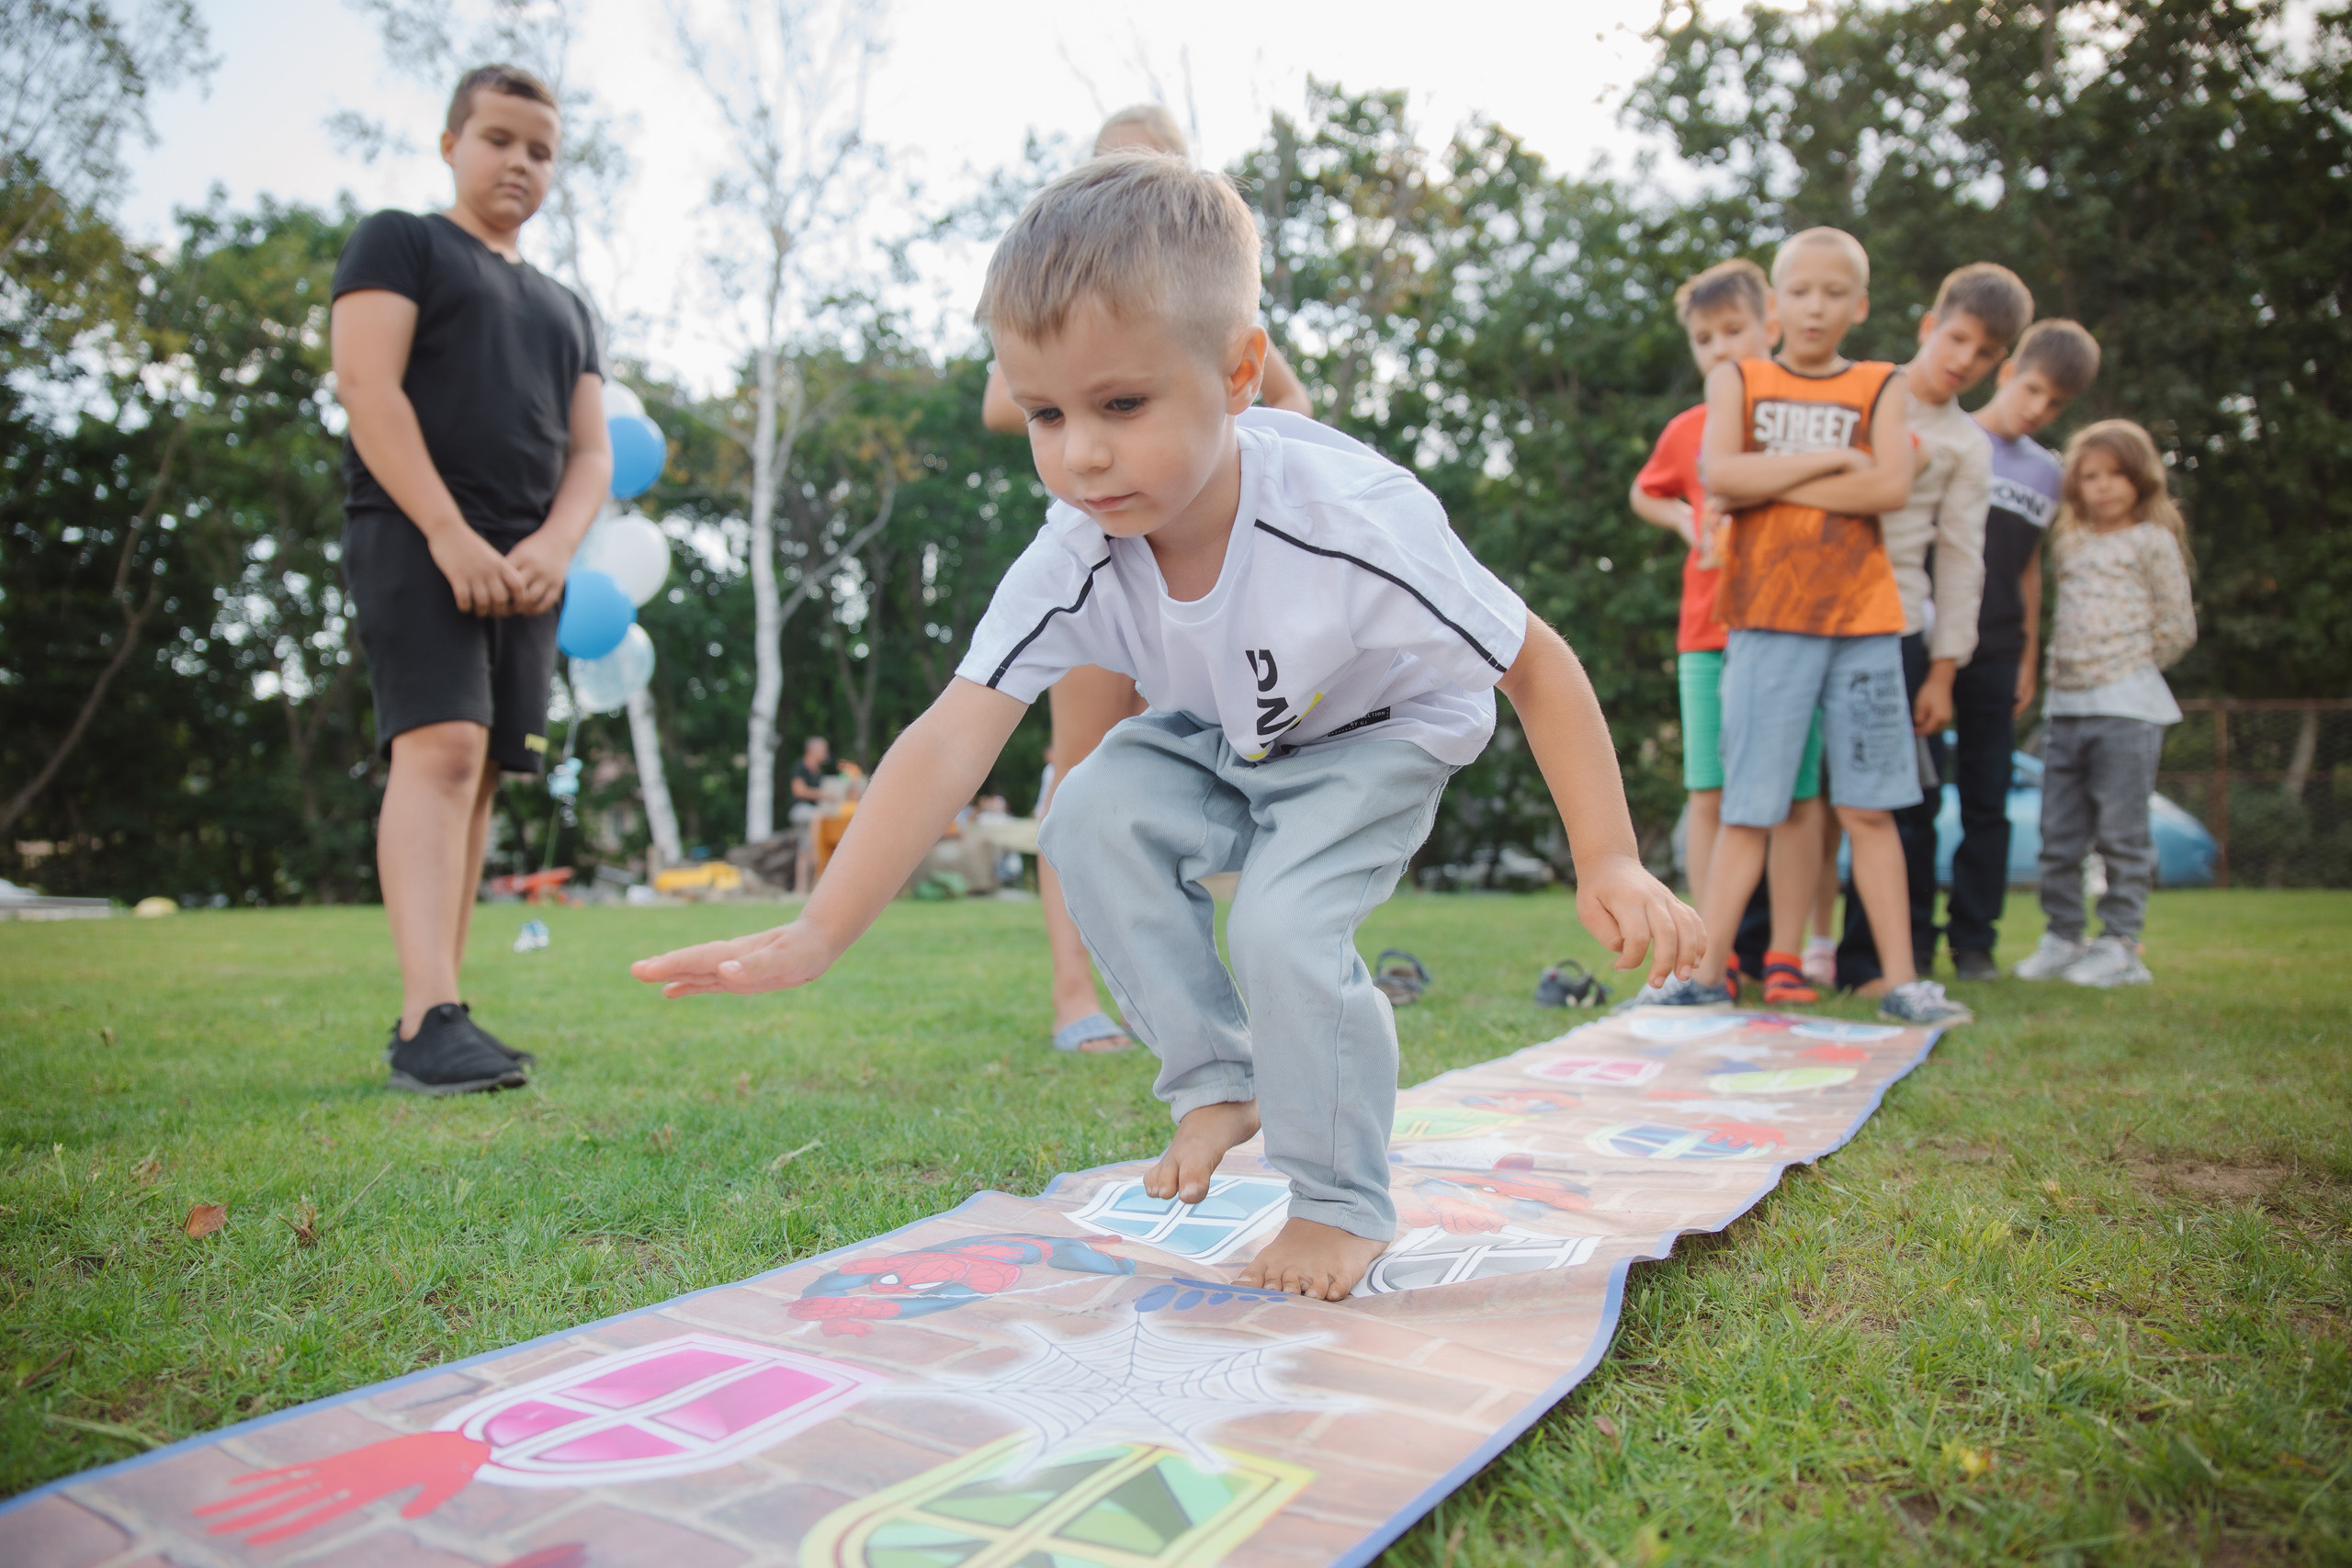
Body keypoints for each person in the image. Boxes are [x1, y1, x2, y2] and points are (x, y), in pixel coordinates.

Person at [634, 153, 1702, 1301]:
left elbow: (1534, 661)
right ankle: (1215, 1079)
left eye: (1121, 405)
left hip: (1377, 733)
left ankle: (1339, 1201)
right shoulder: (1074, 552)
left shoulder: (1350, 522)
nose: (1080, 453)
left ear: (1239, 372)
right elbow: (952, 735)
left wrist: (1608, 856)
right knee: (1084, 808)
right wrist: (816, 932)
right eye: (1046, 413)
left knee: (1283, 931)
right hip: (1225, 733)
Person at [978, 104, 1314, 1056]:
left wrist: (1230, 456)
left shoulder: (1209, 304)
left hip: (1210, 553)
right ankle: (1074, 997)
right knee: (1079, 771)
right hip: (1103, 553)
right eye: (1107, 169)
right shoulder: (1051, 289)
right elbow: (1007, 398)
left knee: (1243, 762)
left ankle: (1244, 987)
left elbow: (1286, 400)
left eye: (1147, 169)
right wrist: (1093, 394)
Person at [332, 63, 611, 1094]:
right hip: (416, 534)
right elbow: (366, 384)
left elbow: (590, 453)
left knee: (485, 766)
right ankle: (425, 1015)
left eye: (540, 150)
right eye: (499, 140)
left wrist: (554, 545)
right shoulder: (400, 241)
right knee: (439, 747)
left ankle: (446, 1006)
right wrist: (448, 533)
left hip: (527, 560)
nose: (520, 163)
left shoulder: (566, 306)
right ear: (452, 143)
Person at [1656, 227, 1971, 1026]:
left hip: (1866, 625)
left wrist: (1777, 485)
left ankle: (1902, 980)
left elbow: (1892, 487)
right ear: (1775, 304)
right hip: (1764, 621)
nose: (1816, 307)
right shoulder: (1741, 379)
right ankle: (1702, 974)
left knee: (1871, 807)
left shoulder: (1879, 383)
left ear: (1859, 305)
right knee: (1749, 805)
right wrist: (1836, 465)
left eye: (1835, 293)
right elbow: (1720, 474)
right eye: (1800, 291)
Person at [1628, 256, 1827, 1005]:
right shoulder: (1687, 431)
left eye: (1734, 330)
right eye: (1705, 338)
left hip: (1790, 626)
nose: (1720, 349)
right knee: (1708, 794)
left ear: (1770, 323)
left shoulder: (1798, 415)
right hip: (1706, 634)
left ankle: (1785, 955)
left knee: (1797, 798)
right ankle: (1711, 959)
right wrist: (1681, 514)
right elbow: (1644, 490)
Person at [1831, 263, 2028, 990]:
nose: (1963, 361)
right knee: (1792, 801)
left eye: (1983, 354)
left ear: (1997, 364)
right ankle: (1764, 954)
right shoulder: (1855, 389)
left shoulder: (1967, 445)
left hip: (1898, 632)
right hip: (1806, 616)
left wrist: (1945, 669)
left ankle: (1884, 965)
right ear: (1928, 326)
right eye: (1956, 338)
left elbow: (1962, 561)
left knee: (1902, 805)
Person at [2013, 421, 2195, 987]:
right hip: (2066, 708)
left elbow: (2176, 626)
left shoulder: (2152, 541)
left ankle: (2120, 944)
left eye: (2116, 474)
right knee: (2059, 833)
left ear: (2140, 478)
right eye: (2090, 477)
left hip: (2128, 708)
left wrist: (2128, 666)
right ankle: (2064, 936)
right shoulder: (2069, 543)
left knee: (2121, 833)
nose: (2104, 487)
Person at [1951, 319, 2102, 976]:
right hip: (1927, 642)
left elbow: (2028, 570)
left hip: (1999, 649)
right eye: (2034, 390)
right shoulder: (1950, 437)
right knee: (1915, 800)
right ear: (2006, 370)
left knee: (1989, 796)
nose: (2038, 409)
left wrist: (2028, 656)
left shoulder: (2047, 473)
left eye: (2056, 404)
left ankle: (1974, 942)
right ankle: (1903, 944)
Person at [788, 736, 831, 893]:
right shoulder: (800, 767)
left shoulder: (819, 772)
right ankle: (801, 888)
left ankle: (811, 887)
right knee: (804, 850)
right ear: (813, 751)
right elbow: (799, 791)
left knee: (805, 850)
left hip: (815, 814)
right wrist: (822, 794)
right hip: (802, 811)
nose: (826, 753)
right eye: (823, 750)